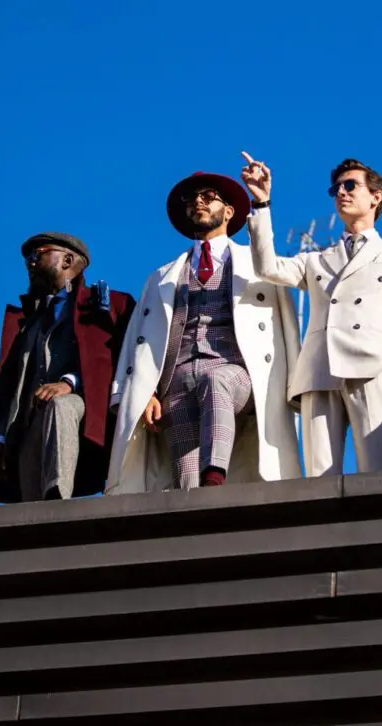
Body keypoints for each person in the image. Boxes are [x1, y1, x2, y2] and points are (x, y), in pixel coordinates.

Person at [107, 171, 301, 493]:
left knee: (216, 381)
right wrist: (142, 393)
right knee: (184, 483)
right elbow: (137, 340)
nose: (198, 201)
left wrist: (297, 385)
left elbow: (288, 326)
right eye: (192, 198)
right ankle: (194, 510)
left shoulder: (257, 267)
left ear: (229, 211)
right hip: (175, 381)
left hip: (235, 371)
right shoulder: (160, 277)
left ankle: (215, 475)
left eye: (208, 196)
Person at [241, 153, 382, 476]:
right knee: (318, 479)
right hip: (319, 370)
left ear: (376, 196)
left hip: (372, 367)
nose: (340, 192)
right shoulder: (316, 259)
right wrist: (262, 203)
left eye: (350, 185)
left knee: (377, 475)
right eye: (335, 188)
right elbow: (267, 267)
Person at [0, 232, 134, 502]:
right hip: (30, 420)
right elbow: (10, 385)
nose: (30, 262)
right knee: (29, 504)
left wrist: (70, 382)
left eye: (38, 254)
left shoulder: (109, 306)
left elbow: (121, 359)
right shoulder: (27, 321)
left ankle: (58, 498)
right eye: (28, 257)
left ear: (67, 260)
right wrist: (0, 438)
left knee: (60, 406)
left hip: (86, 411)